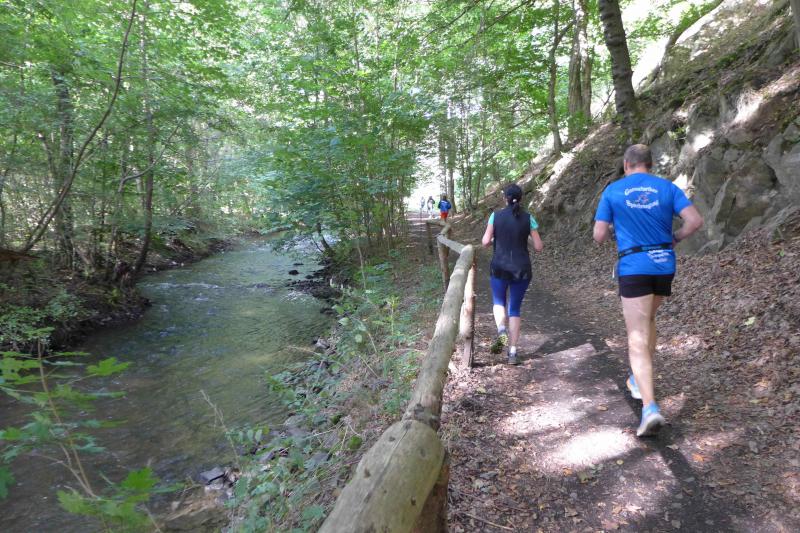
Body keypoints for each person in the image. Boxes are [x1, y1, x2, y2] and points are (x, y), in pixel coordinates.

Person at [593, 144, 703, 437]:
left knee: (636, 336)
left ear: (626, 164)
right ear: (650, 165)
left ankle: (650, 408)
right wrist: (676, 237)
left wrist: (616, 228)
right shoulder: (667, 188)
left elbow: (599, 235)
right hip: (664, 264)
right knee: (649, 320)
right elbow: (695, 221)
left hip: (634, 266)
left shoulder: (613, 191)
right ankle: (635, 378)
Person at [481, 184, 544, 365]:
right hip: (521, 269)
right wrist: (525, 236)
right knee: (514, 309)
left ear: (505, 198)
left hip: (499, 267)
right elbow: (539, 246)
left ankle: (502, 331)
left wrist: (496, 238)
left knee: (498, 302)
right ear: (521, 199)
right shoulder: (529, 218)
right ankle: (513, 353)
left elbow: (485, 242)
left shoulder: (495, 216)